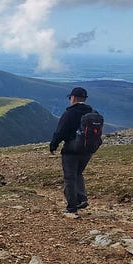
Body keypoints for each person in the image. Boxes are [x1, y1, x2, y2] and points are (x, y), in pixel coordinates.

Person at [49, 87, 94, 218]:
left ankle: (71, 208)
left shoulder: (69, 113)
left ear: (73, 98)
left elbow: (60, 131)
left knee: (69, 177)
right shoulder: (92, 112)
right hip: (88, 150)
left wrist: (53, 145)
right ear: (84, 99)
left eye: (70, 98)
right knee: (78, 173)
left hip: (71, 150)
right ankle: (82, 198)